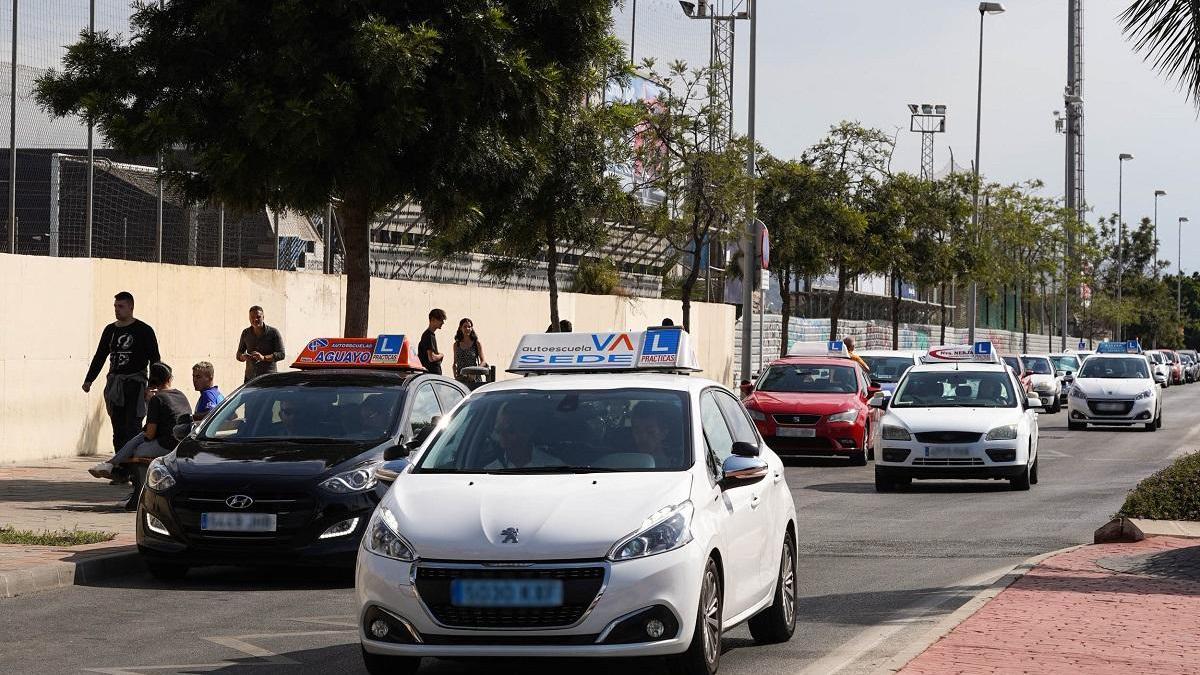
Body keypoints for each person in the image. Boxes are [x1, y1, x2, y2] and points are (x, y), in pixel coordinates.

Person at [89, 363, 191, 509]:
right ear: (170, 378)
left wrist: (149, 401)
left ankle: (125, 480)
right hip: (180, 443)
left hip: (166, 445)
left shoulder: (158, 399)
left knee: (136, 452)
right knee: (137, 441)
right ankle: (112, 466)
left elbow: (149, 433)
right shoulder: (181, 394)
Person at [83, 291, 162, 479]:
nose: (117, 310)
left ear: (131, 307)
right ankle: (120, 468)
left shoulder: (144, 330)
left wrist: (152, 385)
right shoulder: (110, 330)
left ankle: (134, 470)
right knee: (118, 428)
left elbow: (155, 359)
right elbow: (100, 356)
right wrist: (89, 379)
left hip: (135, 384)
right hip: (115, 385)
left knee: (132, 427)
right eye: (115, 306)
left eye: (121, 306)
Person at [484, 404, 558, 470]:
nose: (502, 436)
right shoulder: (487, 473)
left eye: (510, 431)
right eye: (498, 430)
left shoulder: (555, 467)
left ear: (527, 431)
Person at [236, 306, 286, 383]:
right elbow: (239, 354)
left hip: (268, 378)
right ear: (249, 318)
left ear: (263, 317)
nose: (255, 319)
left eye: (258, 317)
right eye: (252, 317)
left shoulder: (273, 332)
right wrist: (243, 357)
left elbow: (281, 354)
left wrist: (264, 358)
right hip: (250, 378)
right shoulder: (245, 333)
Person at [630, 402, 683, 469]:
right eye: (637, 431)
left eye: (650, 432)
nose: (643, 437)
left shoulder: (679, 463)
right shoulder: (622, 460)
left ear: (663, 433)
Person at [452, 318, 487, 387]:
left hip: (475, 379)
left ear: (472, 328)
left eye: (469, 327)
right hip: (461, 379)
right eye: (465, 327)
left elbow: (483, 362)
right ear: (460, 328)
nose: (467, 329)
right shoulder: (456, 344)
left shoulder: (476, 343)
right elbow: (455, 362)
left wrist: (475, 371)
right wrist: (455, 376)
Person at [418, 308, 446, 374]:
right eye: (440, 320)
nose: (442, 322)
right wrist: (441, 355)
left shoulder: (429, 335)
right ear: (433, 319)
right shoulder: (428, 335)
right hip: (432, 374)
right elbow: (431, 358)